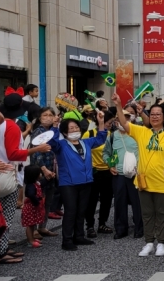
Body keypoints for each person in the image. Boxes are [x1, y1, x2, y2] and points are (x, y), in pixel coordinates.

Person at [112, 93, 164, 257]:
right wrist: (118, 105)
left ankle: (162, 242)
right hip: (143, 181)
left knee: (162, 213)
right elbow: (123, 122)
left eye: (159, 114)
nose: (155, 117)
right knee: (147, 214)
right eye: (152, 114)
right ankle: (149, 242)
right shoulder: (142, 132)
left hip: (163, 182)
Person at [0, 93, 52, 262]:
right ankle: (0, 251)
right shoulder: (11, 126)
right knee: (4, 215)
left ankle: (1, 249)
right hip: (7, 173)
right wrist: (37, 149)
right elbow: (13, 153)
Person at [47, 110, 106, 251]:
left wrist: (101, 122)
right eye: (71, 128)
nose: (75, 130)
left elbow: (101, 138)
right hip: (69, 183)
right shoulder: (61, 145)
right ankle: (67, 240)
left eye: (76, 128)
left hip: (86, 182)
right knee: (71, 211)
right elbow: (51, 142)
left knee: (81, 210)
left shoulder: (86, 142)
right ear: (65, 133)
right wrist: (54, 125)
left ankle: (79, 236)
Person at [102, 109, 143, 240]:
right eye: (120, 119)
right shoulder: (112, 136)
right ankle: (120, 229)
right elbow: (106, 153)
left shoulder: (137, 133)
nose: (122, 121)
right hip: (118, 173)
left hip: (136, 173)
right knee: (119, 202)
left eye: (126, 118)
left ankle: (139, 228)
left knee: (138, 202)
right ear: (116, 121)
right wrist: (110, 164)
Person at [84, 111, 116, 239]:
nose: (110, 125)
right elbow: (84, 152)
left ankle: (102, 223)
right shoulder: (89, 134)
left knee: (106, 200)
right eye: (109, 122)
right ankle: (90, 226)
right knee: (91, 201)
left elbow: (114, 153)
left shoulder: (112, 135)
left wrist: (112, 166)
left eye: (111, 123)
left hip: (108, 172)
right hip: (93, 172)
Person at [29, 107, 60, 237]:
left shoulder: (54, 131)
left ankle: (43, 226)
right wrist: (44, 169)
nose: (47, 117)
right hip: (39, 171)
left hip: (52, 170)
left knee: (48, 201)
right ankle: (34, 229)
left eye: (50, 115)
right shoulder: (38, 131)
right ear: (40, 117)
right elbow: (36, 152)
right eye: (45, 115)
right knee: (37, 201)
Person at [22, 165, 44, 248]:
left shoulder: (34, 183)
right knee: (30, 225)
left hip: (33, 207)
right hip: (31, 207)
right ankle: (30, 241)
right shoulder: (31, 186)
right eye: (39, 173)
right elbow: (31, 195)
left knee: (32, 224)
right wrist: (37, 201)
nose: (41, 175)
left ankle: (32, 238)